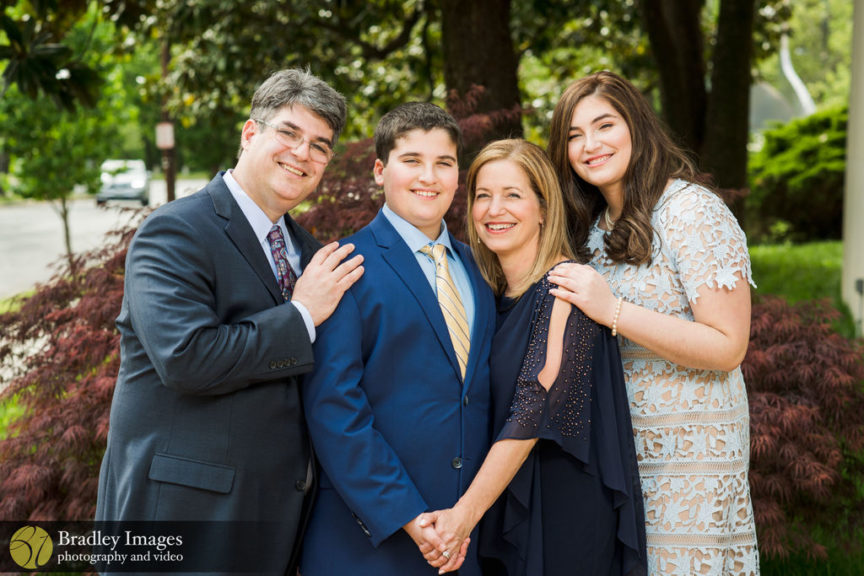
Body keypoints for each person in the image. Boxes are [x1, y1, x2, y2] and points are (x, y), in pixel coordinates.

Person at [95, 68, 364, 574]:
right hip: (180, 520)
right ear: (249, 133)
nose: (302, 154)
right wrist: (302, 314)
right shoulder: (175, 231)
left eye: (320, 146)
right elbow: (187, 359)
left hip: (274, 524)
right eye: (289, 133)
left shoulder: (309, 253)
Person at [545, 70, 760, 575]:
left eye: (604, 126)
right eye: (574, 135)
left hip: (693, 449)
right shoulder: (588, 230)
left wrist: (613, 311)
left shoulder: (692, 212)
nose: (590, 145)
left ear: (637, 127)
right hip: (617, 448)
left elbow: (729, 346)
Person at [418, 139, 646, 576]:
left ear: (544, 208)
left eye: (512, 195)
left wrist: (462, 517)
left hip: (561, 508)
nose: (493, 209)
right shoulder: (481, 293)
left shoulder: (568, 289)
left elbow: (532, 408)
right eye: (483, 195)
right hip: (502, 494)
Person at [300, 102, 496, 576]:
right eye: (412, 161)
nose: (429, 176)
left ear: (457, 175)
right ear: (380, 170)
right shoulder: (346, 266)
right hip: (369, 543)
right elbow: (334, 407)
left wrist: (464, 517)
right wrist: (408, 515)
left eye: (443, 163)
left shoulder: (481, 268)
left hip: (464, 540)